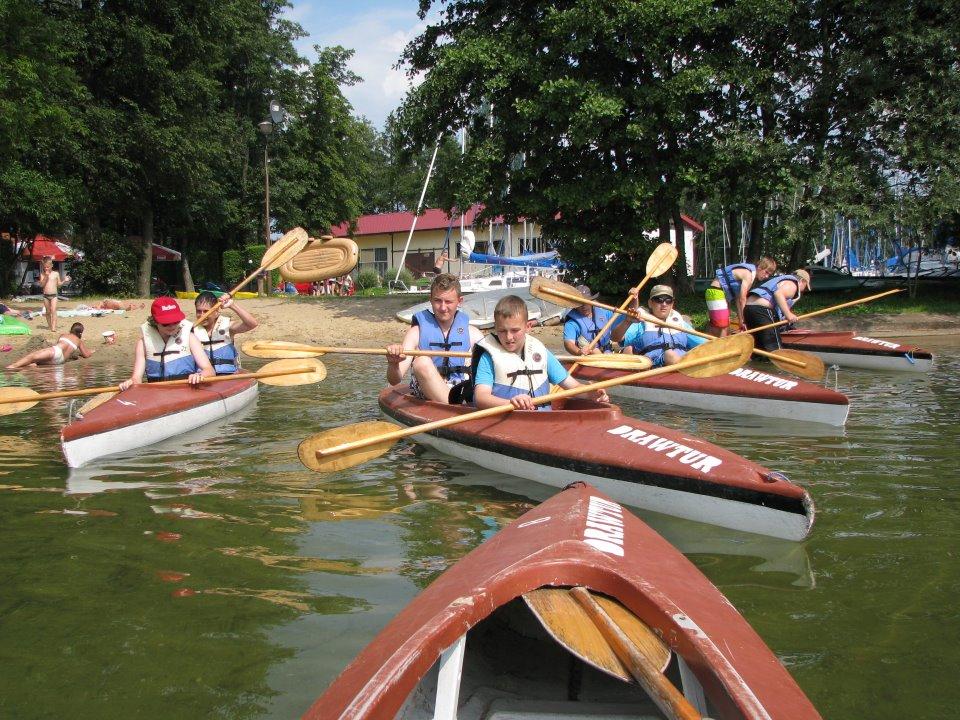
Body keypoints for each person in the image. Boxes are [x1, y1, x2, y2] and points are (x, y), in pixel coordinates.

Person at [472, 295, 609, 411]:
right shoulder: (488, 357)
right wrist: (510, 404)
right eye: (502, 331)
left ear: (528, 327)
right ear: (495, 328)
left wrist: (592, 394)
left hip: (541, 420)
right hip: (507, 418)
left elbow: (573, 387)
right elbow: (480, 397)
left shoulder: (541, 352)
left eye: (515, 330)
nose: (508, 337)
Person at [386, 273, 484, 403]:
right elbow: (394, 380)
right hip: (426, 390)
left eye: (448, 301)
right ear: (430, 300)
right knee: (422, 362)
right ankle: (453, 405)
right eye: (438, 301)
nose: (443, 308)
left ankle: (460, 403)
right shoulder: (416, 333)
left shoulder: (474, 334)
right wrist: (393, 363)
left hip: (461, 389)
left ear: (459, 302)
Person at [118, 297, 213, 391]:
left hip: (186, 390)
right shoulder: (142, 344)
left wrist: (200, 375)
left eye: (175, 321)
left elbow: (209, 370)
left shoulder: (190, 338)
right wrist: (131, 382)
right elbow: (136, 378)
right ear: (155, 321)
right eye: (166, 323)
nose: (172, 326)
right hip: (156, 393)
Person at [611, 285, 700, 367]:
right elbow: (616, 338)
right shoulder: (641, 323)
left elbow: (704, 343)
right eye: (659, 300)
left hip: (682, 364)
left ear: (672, 304)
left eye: (668, 300)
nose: (664, 304)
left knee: (674, 355)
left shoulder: (681, 324)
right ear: (650, 303)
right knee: (670, 355)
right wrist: (627, 322)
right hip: (653, 365)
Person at [705, 257, 777, 337]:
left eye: (769, 274)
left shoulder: (750, 276)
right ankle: (722, 348)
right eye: (766, 272)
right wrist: (745, 318)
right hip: (716, 292)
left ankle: (716, 344)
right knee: (723, 326)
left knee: (724, 325)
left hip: (719, 294)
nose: (766, 276)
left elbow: (737, 299)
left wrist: (741, 320)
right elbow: (742, 299)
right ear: (759, 267)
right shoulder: (748, 275)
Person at [743, 269, 811, 350]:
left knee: (758, 347)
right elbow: (778, 294)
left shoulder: (781, 280)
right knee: (774, 347)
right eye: (805, 287)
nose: (804, 290)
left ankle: (759, 360)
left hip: (748, 309)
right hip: (761, 309)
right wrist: (788, 315)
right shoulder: (793, 284)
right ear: (802, 281)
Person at [191, 291, 258, 374]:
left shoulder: (228, 327)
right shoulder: (191, 331)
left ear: (216, 312)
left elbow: (252, 324)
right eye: (198, 311)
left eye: (206, 311)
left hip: (228, 375)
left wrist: (232, 305)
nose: (202, 315)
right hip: (204, 377)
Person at [6, 322, 93, 369]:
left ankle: (11, 368)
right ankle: (20, 368)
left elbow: (57, 348)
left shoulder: (64, 335)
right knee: (35, 363)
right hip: (60, 361)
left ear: (71, 329)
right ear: (81, 332)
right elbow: (86, 355)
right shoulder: (79, 341)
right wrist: (91, 352)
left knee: (32, 357)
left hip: (56, 352)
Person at [562, 284, 615, 355]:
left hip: (607, 352)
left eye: (586, 302)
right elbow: (568, 344)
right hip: (588, 355)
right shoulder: (572, 323)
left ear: (591, 301)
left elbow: (621, 320)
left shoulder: (605, 313)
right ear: (575, 304)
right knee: (595, 351)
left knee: (628, 348)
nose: (583, 306)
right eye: (579, 303)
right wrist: (579, 352)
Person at [39, 257, 70, 332]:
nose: (46, 268)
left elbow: (58, 284)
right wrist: (46, 276)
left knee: (53, 310)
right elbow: (42, 285)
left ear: (51, 265)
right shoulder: (42, 274)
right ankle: (49, 326)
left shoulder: (56, 274)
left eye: (47, 267)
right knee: (48, 311)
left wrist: (64, 281)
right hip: (46, 296)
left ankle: (53, 327)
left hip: (54, 296)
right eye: (45, 267)